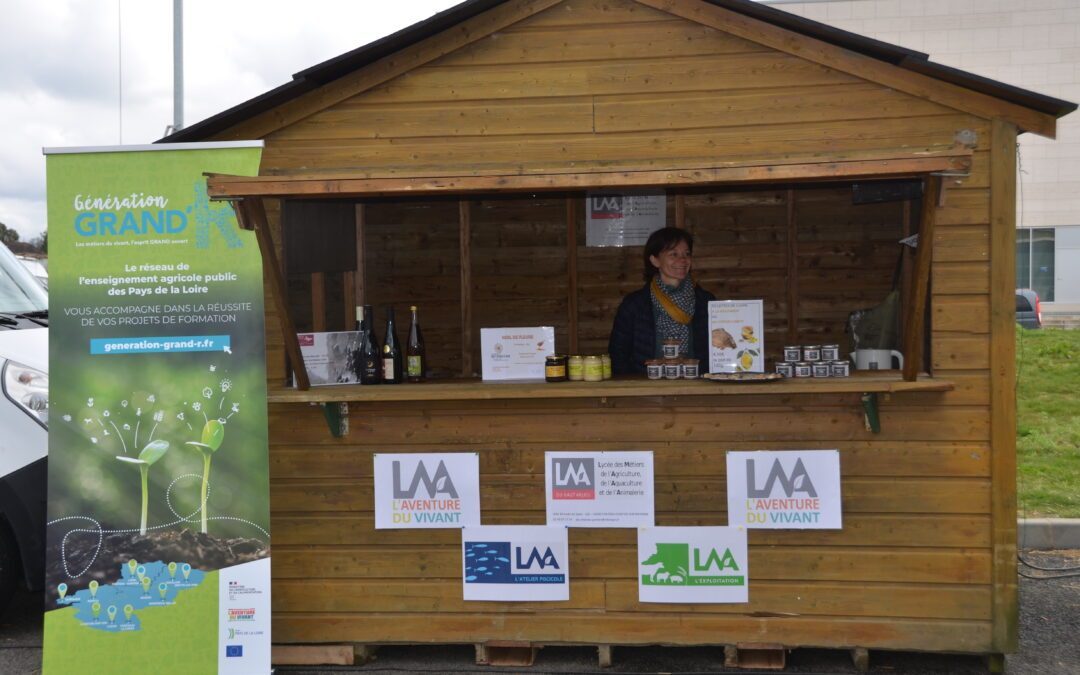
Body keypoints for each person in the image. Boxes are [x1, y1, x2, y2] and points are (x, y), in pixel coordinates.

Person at [608, 227, 716, 375]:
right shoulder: (634, 304)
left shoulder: (706, 302)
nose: (683, 260)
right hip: (646, 389)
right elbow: (618, 354)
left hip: (696, 387)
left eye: (687, 254)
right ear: (655, 260)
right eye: (674, 254)